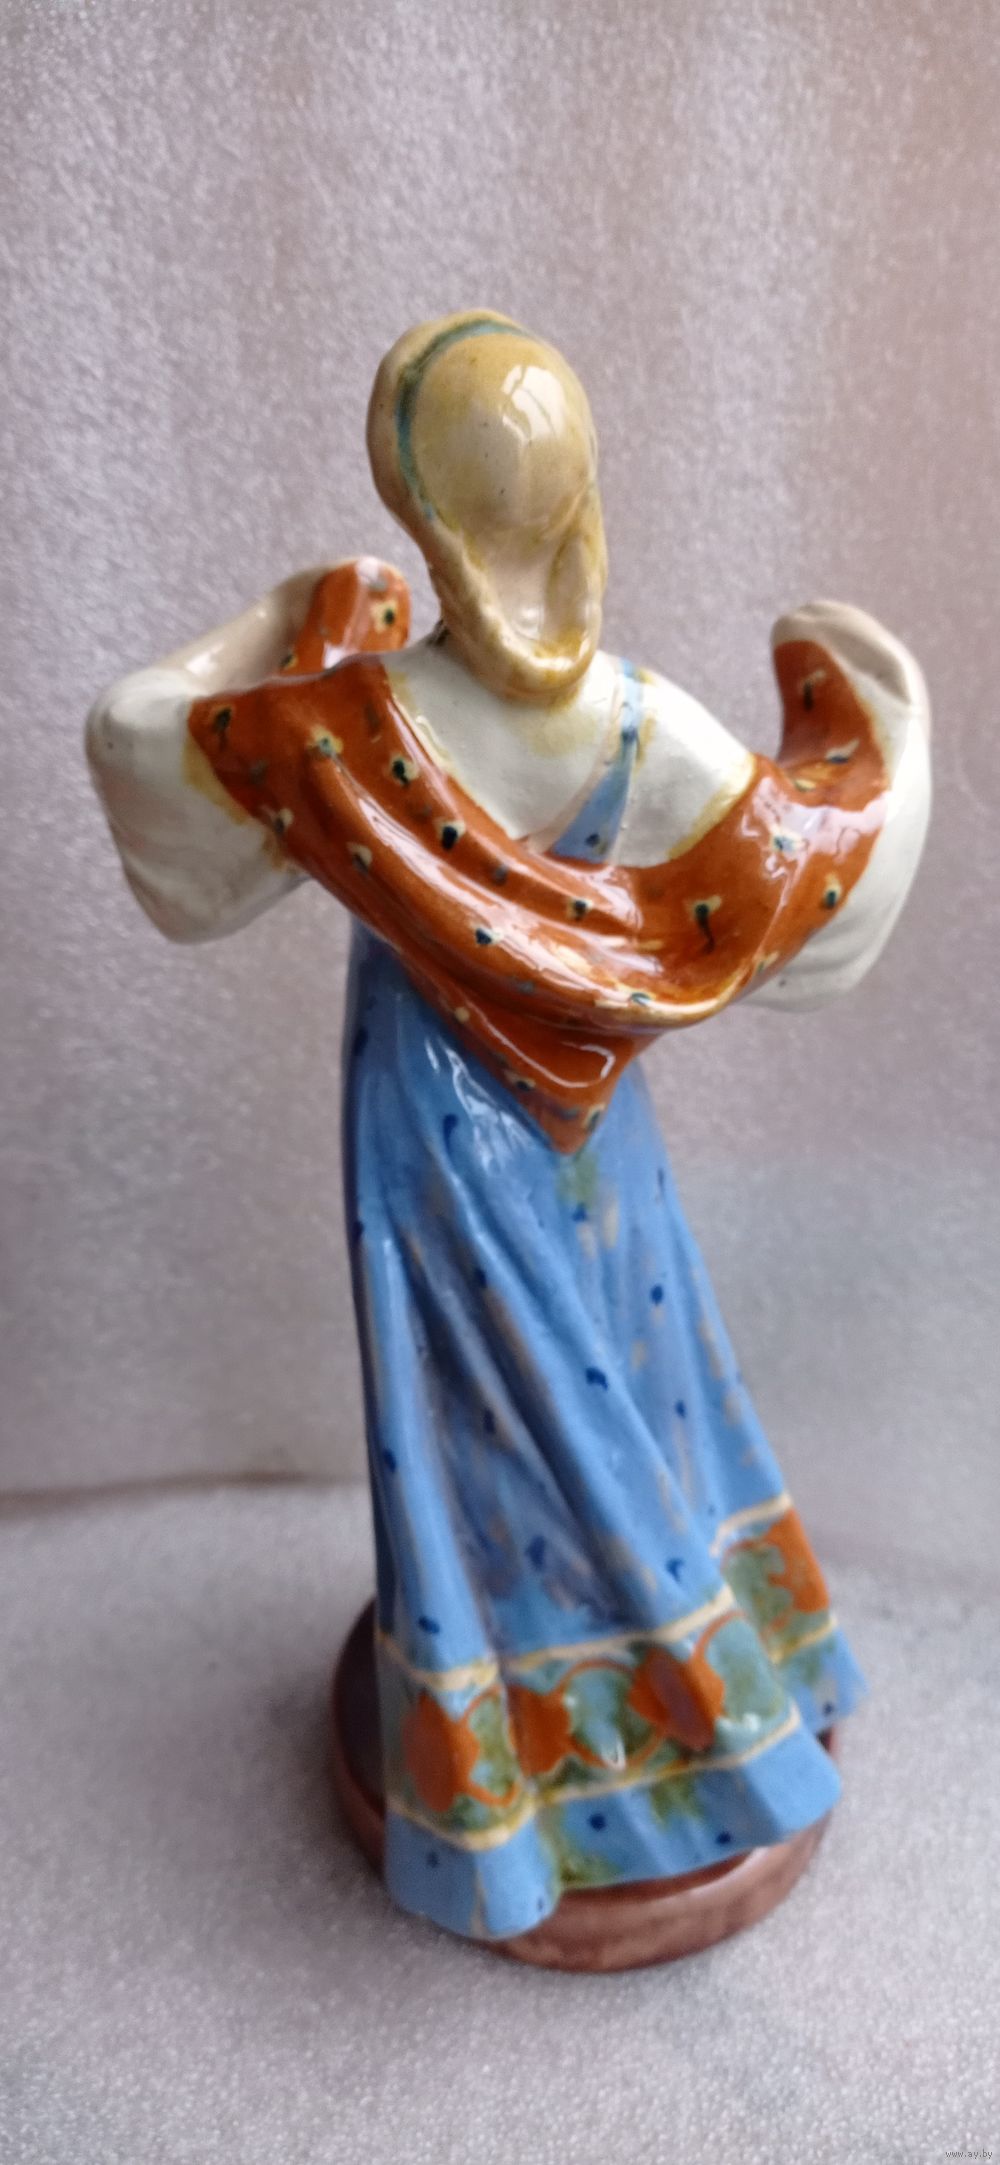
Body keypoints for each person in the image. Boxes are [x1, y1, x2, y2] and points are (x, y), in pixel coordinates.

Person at [87, 310, 931, 1942]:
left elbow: (140, 746)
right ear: (582, 503)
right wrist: (870, 706)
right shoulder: (642, 724)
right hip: (587, 1142)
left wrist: (293, 617)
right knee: (628, 1376)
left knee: (474, 1420)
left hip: (425, 1129)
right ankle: (672, 1708)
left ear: (419, 513)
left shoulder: (343, 728)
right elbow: (821, 873)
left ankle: (541, 1754)